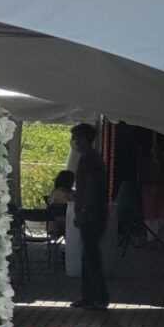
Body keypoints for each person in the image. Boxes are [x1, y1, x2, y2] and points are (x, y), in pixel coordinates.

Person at [69, 123, 109, 310]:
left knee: (90, 256)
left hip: (91, 215)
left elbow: (90, 187)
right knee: (90, 256)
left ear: (84, 139)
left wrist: (83, 209)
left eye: (76, 138)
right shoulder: (95, 158)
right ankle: (91, 297)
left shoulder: (88, 159)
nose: (74, 142)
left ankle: (96, 297)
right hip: (96, 213)